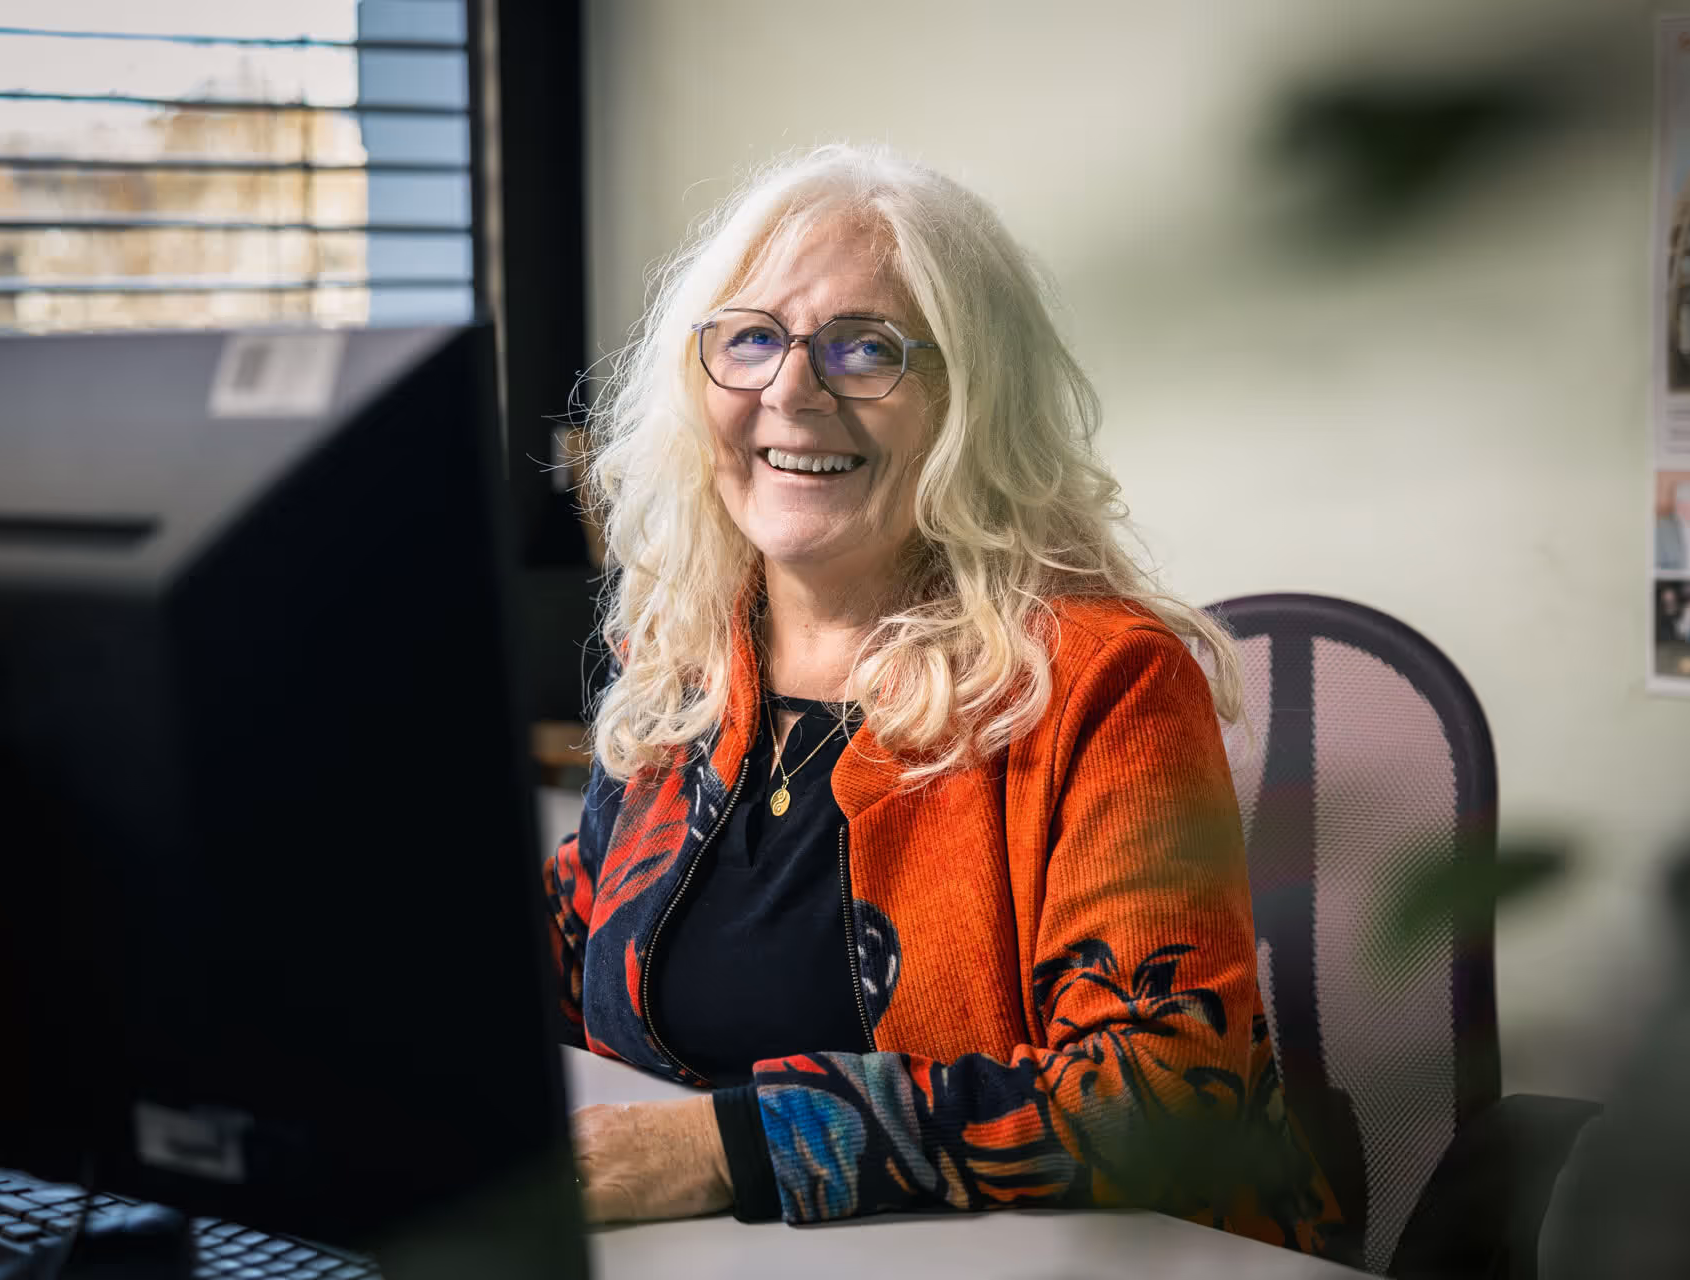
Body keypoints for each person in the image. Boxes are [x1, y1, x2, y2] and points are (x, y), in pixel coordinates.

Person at [543, 144, 1341, 1256]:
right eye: (752, 338)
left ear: (974, 402)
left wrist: (722, 1149)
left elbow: (1162, 1090)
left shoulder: (1103, 681)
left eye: (865, 347)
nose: (790, 391)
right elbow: (573, 943)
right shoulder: (686, 656)